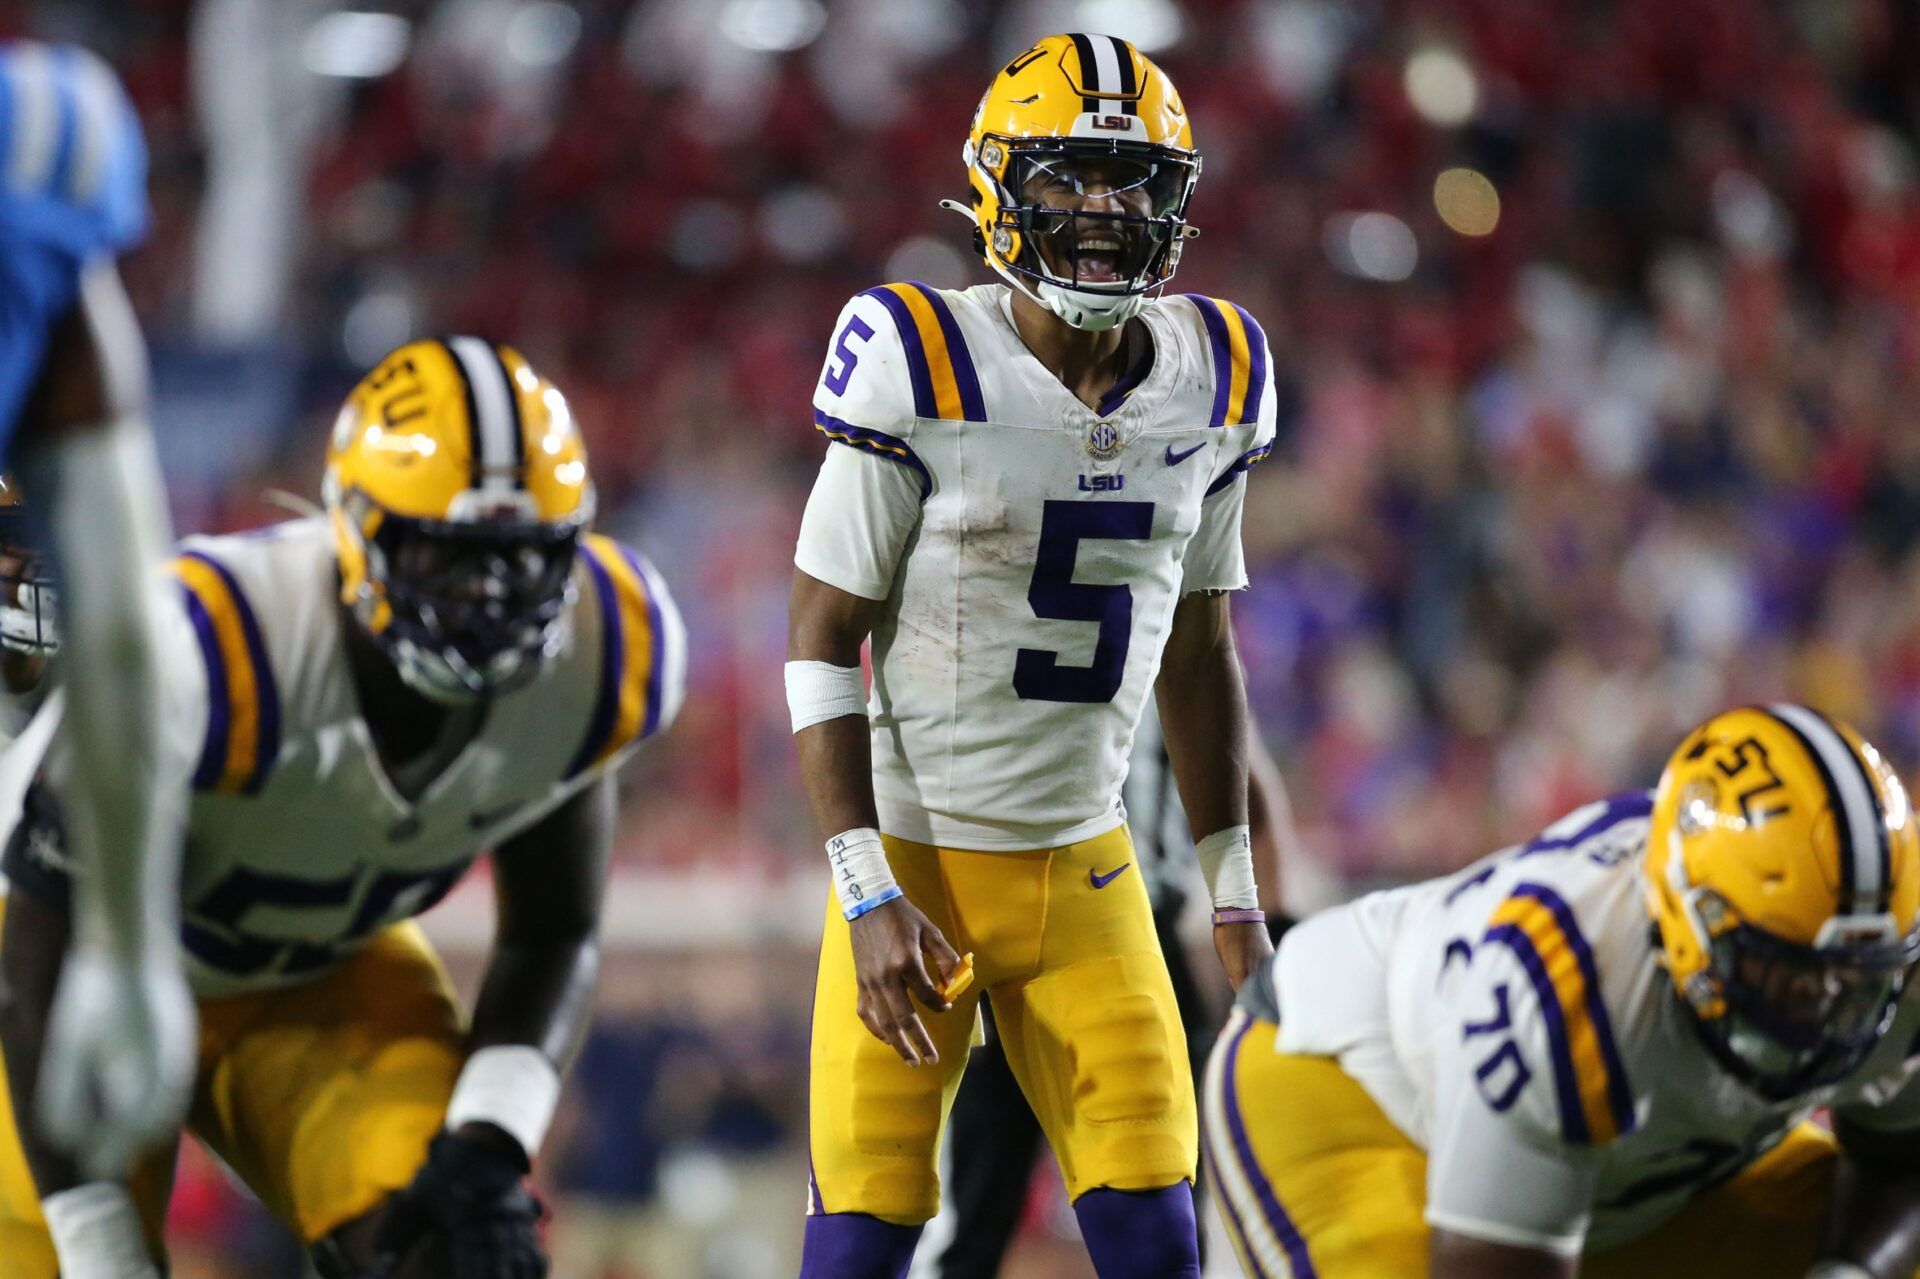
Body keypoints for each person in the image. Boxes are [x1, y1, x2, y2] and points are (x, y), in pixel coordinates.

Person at [0, 338, 687, 1279]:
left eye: (519, 558)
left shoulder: (603, 651)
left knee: (450, 1247)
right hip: (77, 984)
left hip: (315, 972)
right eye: (447, 558)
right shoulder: (208, 648)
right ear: (356, 528)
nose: (485, 599)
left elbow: (554, 930)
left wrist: (490, 1139)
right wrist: (99, 1246)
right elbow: (33, 947)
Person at [787, 33, 1278, 1279]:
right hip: (916, 867)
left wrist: (1232, 894)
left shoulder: (1215, 376)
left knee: (1161, 1239)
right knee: (859, 1243)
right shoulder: (922, 358)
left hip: (1085, 870)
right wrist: (862, 887)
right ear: (1000, 187)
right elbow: (817, 641)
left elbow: (1201, 649)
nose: (1105, 212)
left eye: (1133, 180)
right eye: (1070, 176)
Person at [1207, 704, 1920, 1279]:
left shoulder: (1896, 971)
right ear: (1689, 924)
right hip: (1355, 1090)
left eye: (1854, 981)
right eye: (1786, 974)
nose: (1823, 1009)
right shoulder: (1564, 984)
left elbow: (1900, 1166)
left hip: (1623, 1170)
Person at [0, 39, 195, 1185]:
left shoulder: (35, 157)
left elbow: (119, 622)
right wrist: (131, 946)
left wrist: (127, 943)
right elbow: (120, 616)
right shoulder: (35, 146)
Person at [912, 705, 1298, 1278]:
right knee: (982, 1204)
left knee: (1162, 1201)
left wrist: (1268, 928)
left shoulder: (1160, 639)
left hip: (1130, 941)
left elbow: (1246, 783)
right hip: (1017, 945)